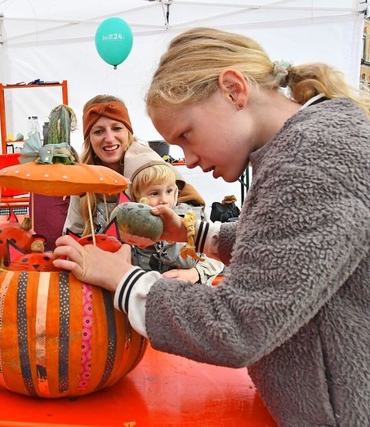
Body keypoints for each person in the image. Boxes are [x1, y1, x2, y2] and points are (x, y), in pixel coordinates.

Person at [54, 27, 370, 426]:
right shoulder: (306, 145)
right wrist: (195, 233)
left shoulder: (312, 160)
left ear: (234, 90)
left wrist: (123, 280)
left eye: (186, 134)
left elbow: (238, 327)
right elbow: (288, 248)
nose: (185, 159)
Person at [63, 94, 203, 236]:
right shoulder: (84, 179)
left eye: (117, 128)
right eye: (99, 131)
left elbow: (192, 214)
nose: (110, 139)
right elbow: (74, 231)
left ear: (128, 132)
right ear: (89, 139)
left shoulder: (152, 166)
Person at [123, 152, 224, 285]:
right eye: (154, 193)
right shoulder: (128, 226)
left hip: (194, 297)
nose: (164, 200)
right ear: (137, 197)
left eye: (169, 191)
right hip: (148, 299)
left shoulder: (191, 216)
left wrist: (196, 273)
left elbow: (219, 254)